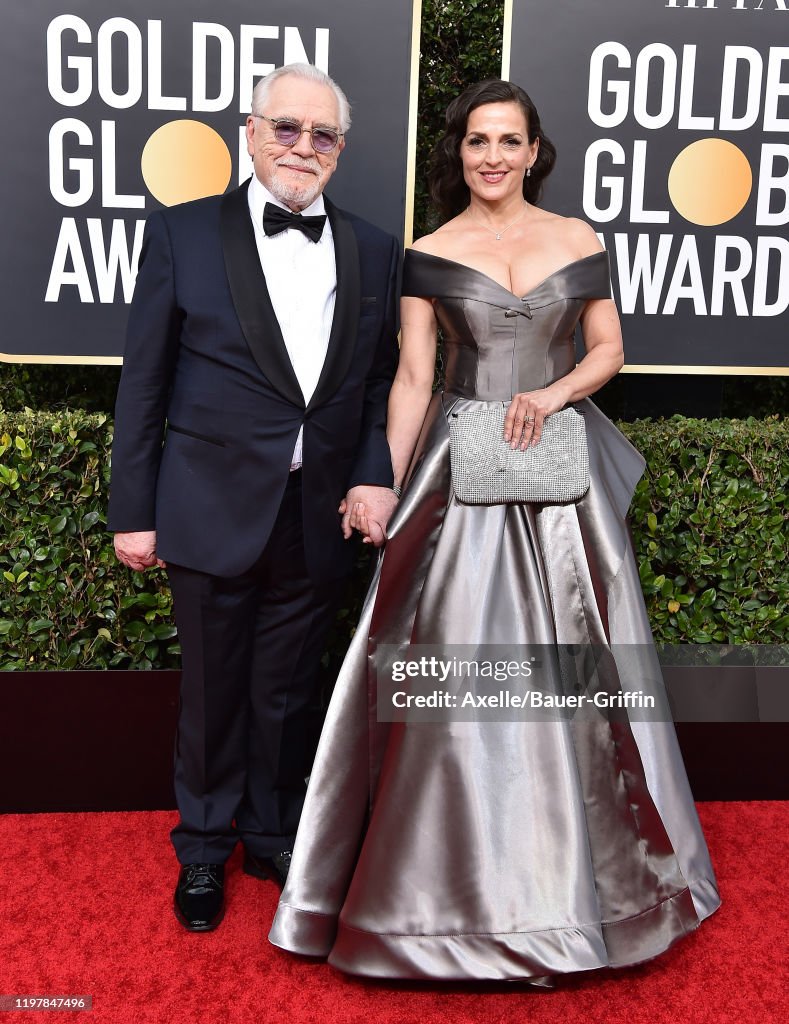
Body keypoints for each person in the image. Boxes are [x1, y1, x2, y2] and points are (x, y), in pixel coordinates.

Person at [268, 79, 720, 982]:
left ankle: (590, 884)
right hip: (457, 475)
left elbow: (607, 348)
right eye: (477, 141)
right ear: (459, 150)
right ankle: (441, 893)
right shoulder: (428, 252)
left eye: (508, 141)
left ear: (532, 150)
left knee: (580, 662)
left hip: (561, 478)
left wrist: (550, 395)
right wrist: (381, 483)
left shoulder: (576, 239)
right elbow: (411, 381)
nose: (491, 157)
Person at [108, 63, 400, 933]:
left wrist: (372, 470)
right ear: (250, 129)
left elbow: (380, 380)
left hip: (317, 514)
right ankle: (201, 848)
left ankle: (270, 831)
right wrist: (133, 508)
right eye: (287, 128)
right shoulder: (184, 233)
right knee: (211, 692)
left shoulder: (376, 249)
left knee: (285, 691)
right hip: (206, 507)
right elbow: (144, 382)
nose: (302, 147)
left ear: (340, 153)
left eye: (322, 136)